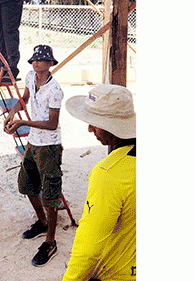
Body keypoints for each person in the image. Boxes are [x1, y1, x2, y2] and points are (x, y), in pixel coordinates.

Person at [62, 84, 136, 281]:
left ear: (110, 126)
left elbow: (88, 250)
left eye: (94, 122)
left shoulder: (108, 174)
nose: (89, 128)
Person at [4, 45, 64, 267]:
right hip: (33, 143)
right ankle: (41, 221)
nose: (36, 64)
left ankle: (50, 242)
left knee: (50, 193)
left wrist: (23, 122)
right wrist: (12, 113)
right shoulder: (30, 77)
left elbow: (52, 124)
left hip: (49, 146)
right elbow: (25, 98)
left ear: (50, 64)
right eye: (34, 60)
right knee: (26, 184)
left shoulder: (55, 90)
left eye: (41, 60)